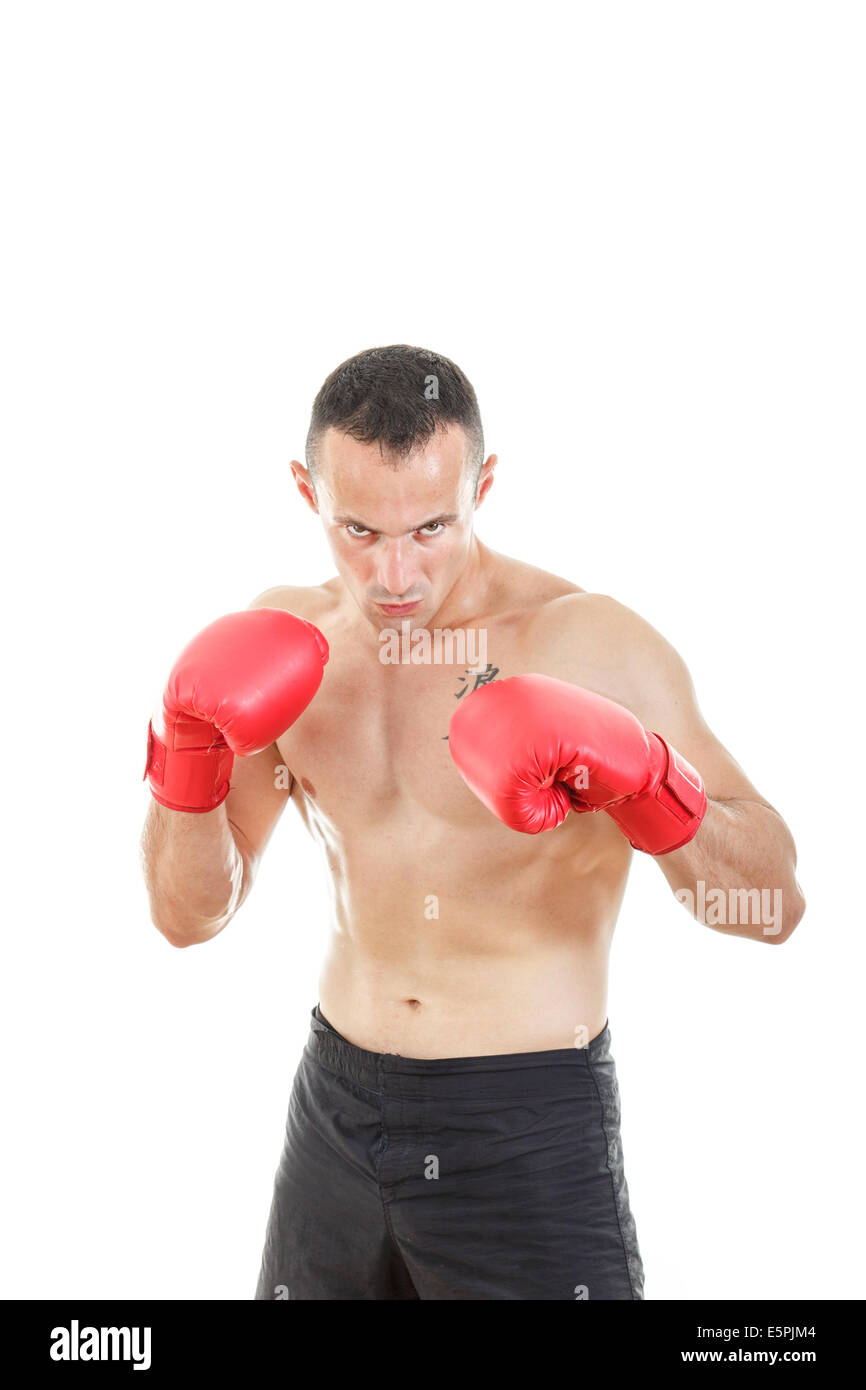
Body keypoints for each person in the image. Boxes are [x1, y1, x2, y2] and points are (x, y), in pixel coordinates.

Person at [140, 344, 805, 1300]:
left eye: (432, 527)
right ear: (306, 492)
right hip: (333, 1109)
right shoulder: (290, 642)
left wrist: (647, 782)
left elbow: (772, 905)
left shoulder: (586, 641)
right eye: (359, 530)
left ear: (484, 484)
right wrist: (184, 758)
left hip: (522, 1120)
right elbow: (186, 916)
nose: (396, 573)